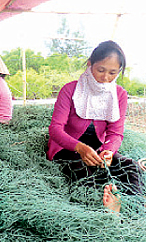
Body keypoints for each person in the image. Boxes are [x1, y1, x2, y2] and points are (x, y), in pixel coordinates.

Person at [47, 41, 143, 213]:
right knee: (82, 171)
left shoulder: (119, 94)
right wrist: (80, 148)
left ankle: (134, 206)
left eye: (112, 72)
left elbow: (116, 132)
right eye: (101, 70)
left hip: (97, 149)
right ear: (90, 63)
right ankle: (103, 207)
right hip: (67, 148)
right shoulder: (70, 90)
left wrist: (109, 151)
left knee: (131, 167)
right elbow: (55, 129)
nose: (105, 77)